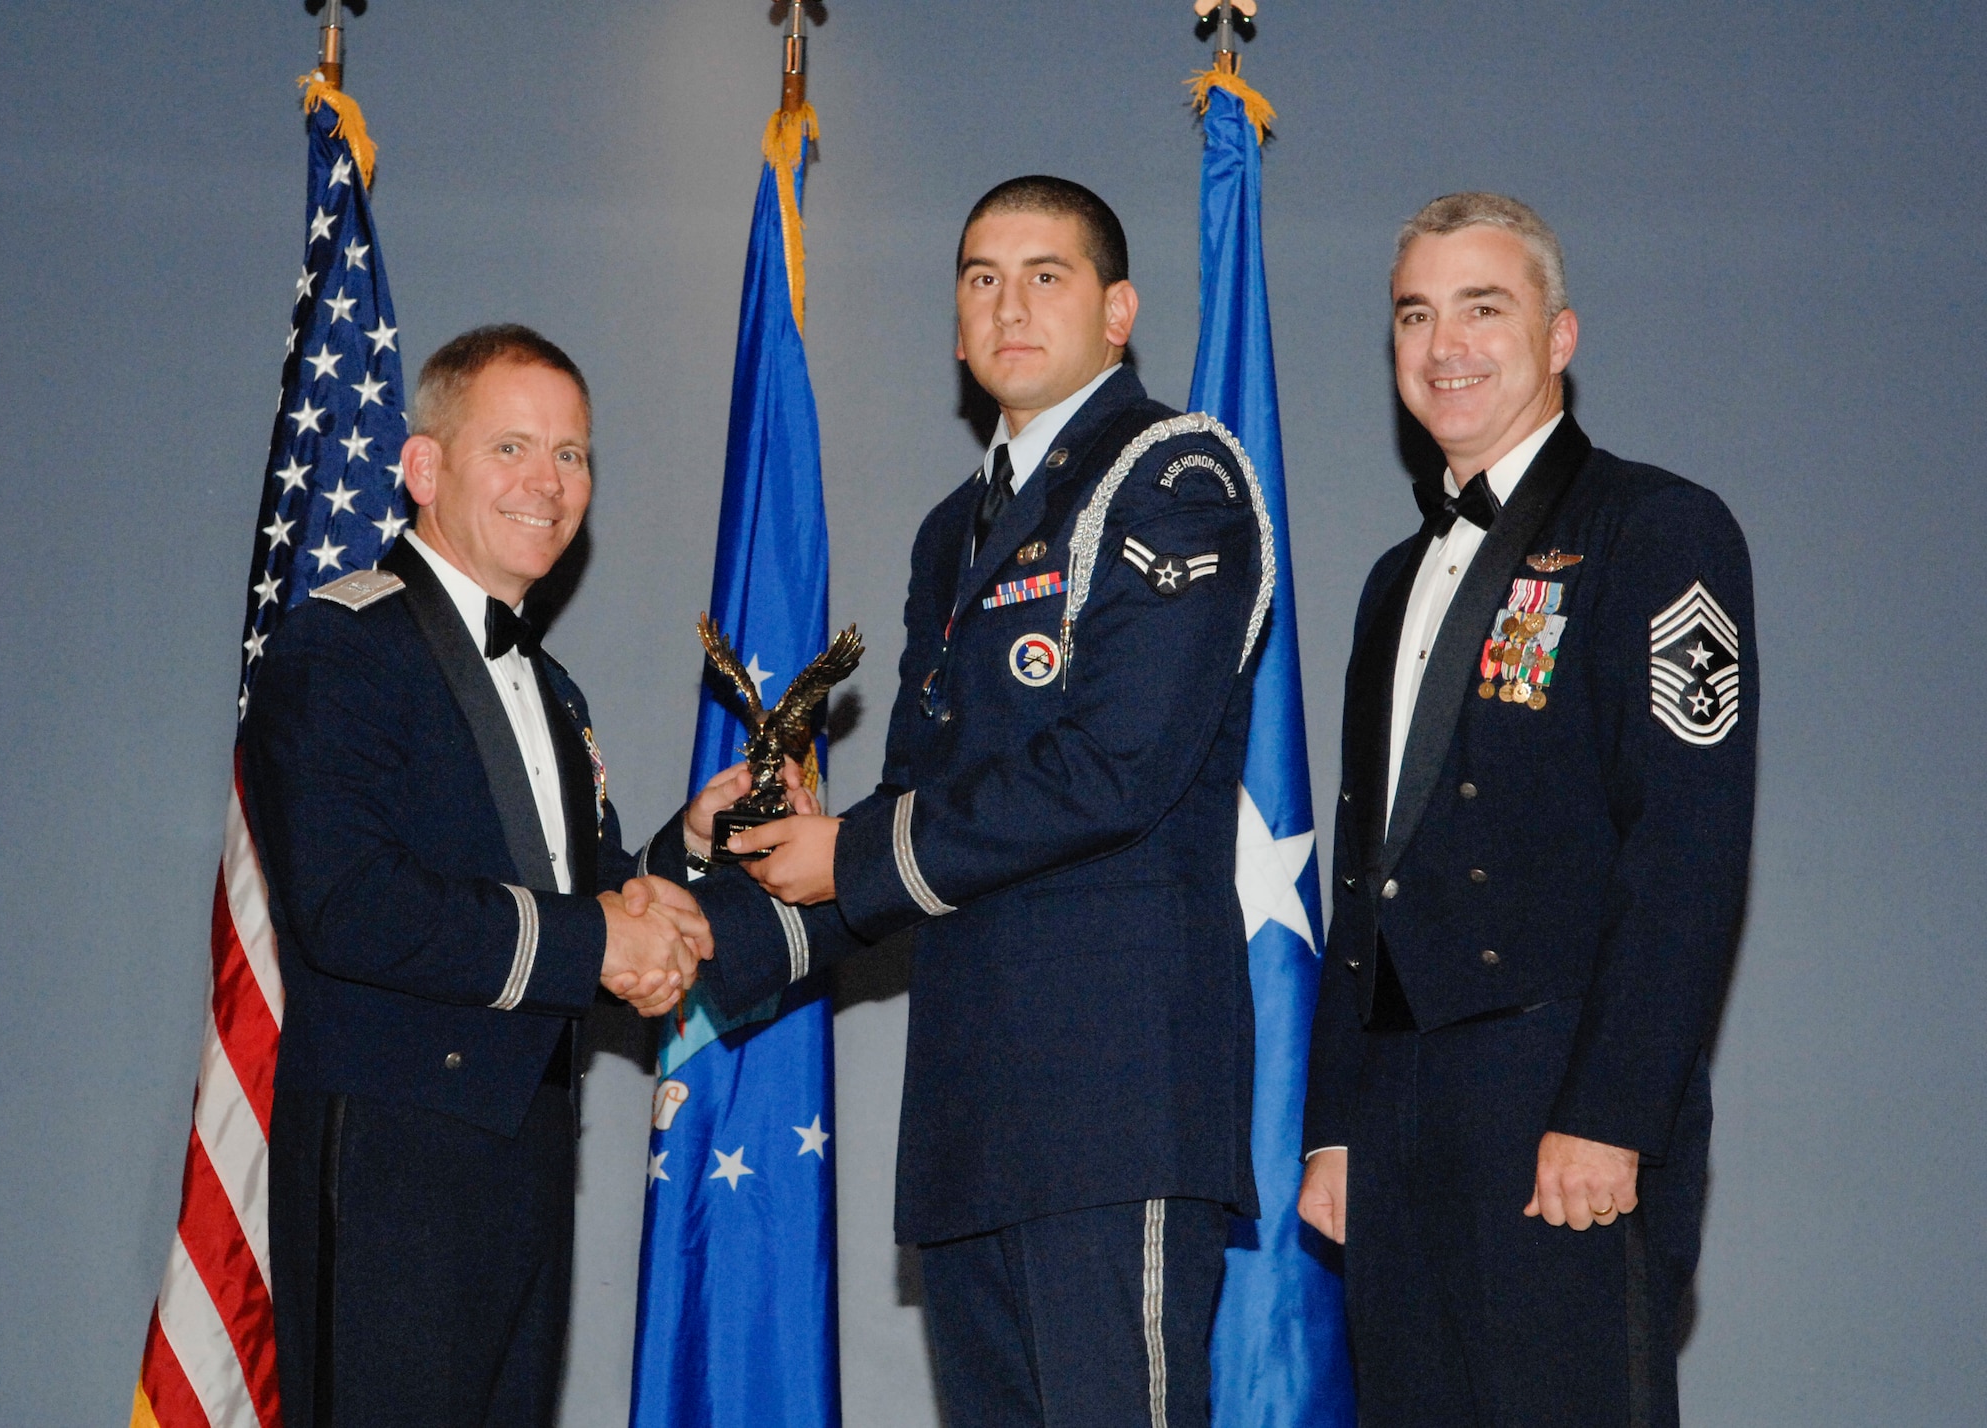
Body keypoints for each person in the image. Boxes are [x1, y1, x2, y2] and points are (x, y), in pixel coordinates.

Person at [652, 176, 1275, 1428]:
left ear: (1118, 312)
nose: (1009, 305)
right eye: (980, 280)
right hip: (973, 1122)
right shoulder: (956, 531)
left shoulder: (1173, 476)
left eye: (1046, 275)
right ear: (953, 325)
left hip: (1111, 1111)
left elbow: (1115, 767)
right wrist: (711, 899)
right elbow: (914, 804)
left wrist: (853, 851)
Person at [1297, 193, 1756, 1426]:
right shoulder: (1393, 584)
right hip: (1395, 1115)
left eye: (1481, 308)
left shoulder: (1656, 531)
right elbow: (1361, 875)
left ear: (1557, 337)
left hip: (1556, 1093)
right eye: (1414, 313)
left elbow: (1688, 849)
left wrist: (1610, 1114)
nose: (1443, 344)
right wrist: (1332, 1125)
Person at [244, 325, 709, 1428]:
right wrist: (602, 940)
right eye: (511, 447)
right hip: (392, 1156)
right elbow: (348, 907)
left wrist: (693, 845)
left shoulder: (552, 690)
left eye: (572, 454)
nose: (547, 483)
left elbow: (584, 902)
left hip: (526, 1152)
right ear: (424, 468)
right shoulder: (338, 646)